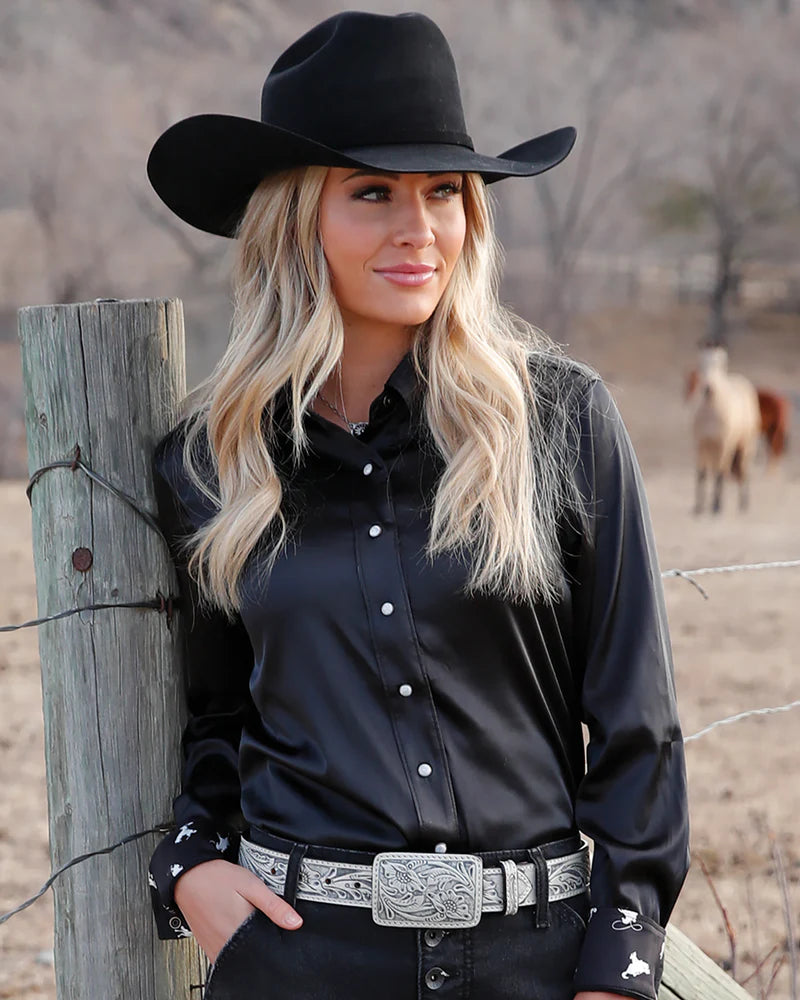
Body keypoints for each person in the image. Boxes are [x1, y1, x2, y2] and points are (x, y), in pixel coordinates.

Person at [145, 11, 690, 1000]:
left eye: (443, 191)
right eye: (371, 193)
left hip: (533, 960)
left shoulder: (558, 420)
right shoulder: (209, 460)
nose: (418, 228)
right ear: (293, 218)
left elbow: (633, 725)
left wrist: (619, 964)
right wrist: (190, 867)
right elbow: (215, 712)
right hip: (297, 958)